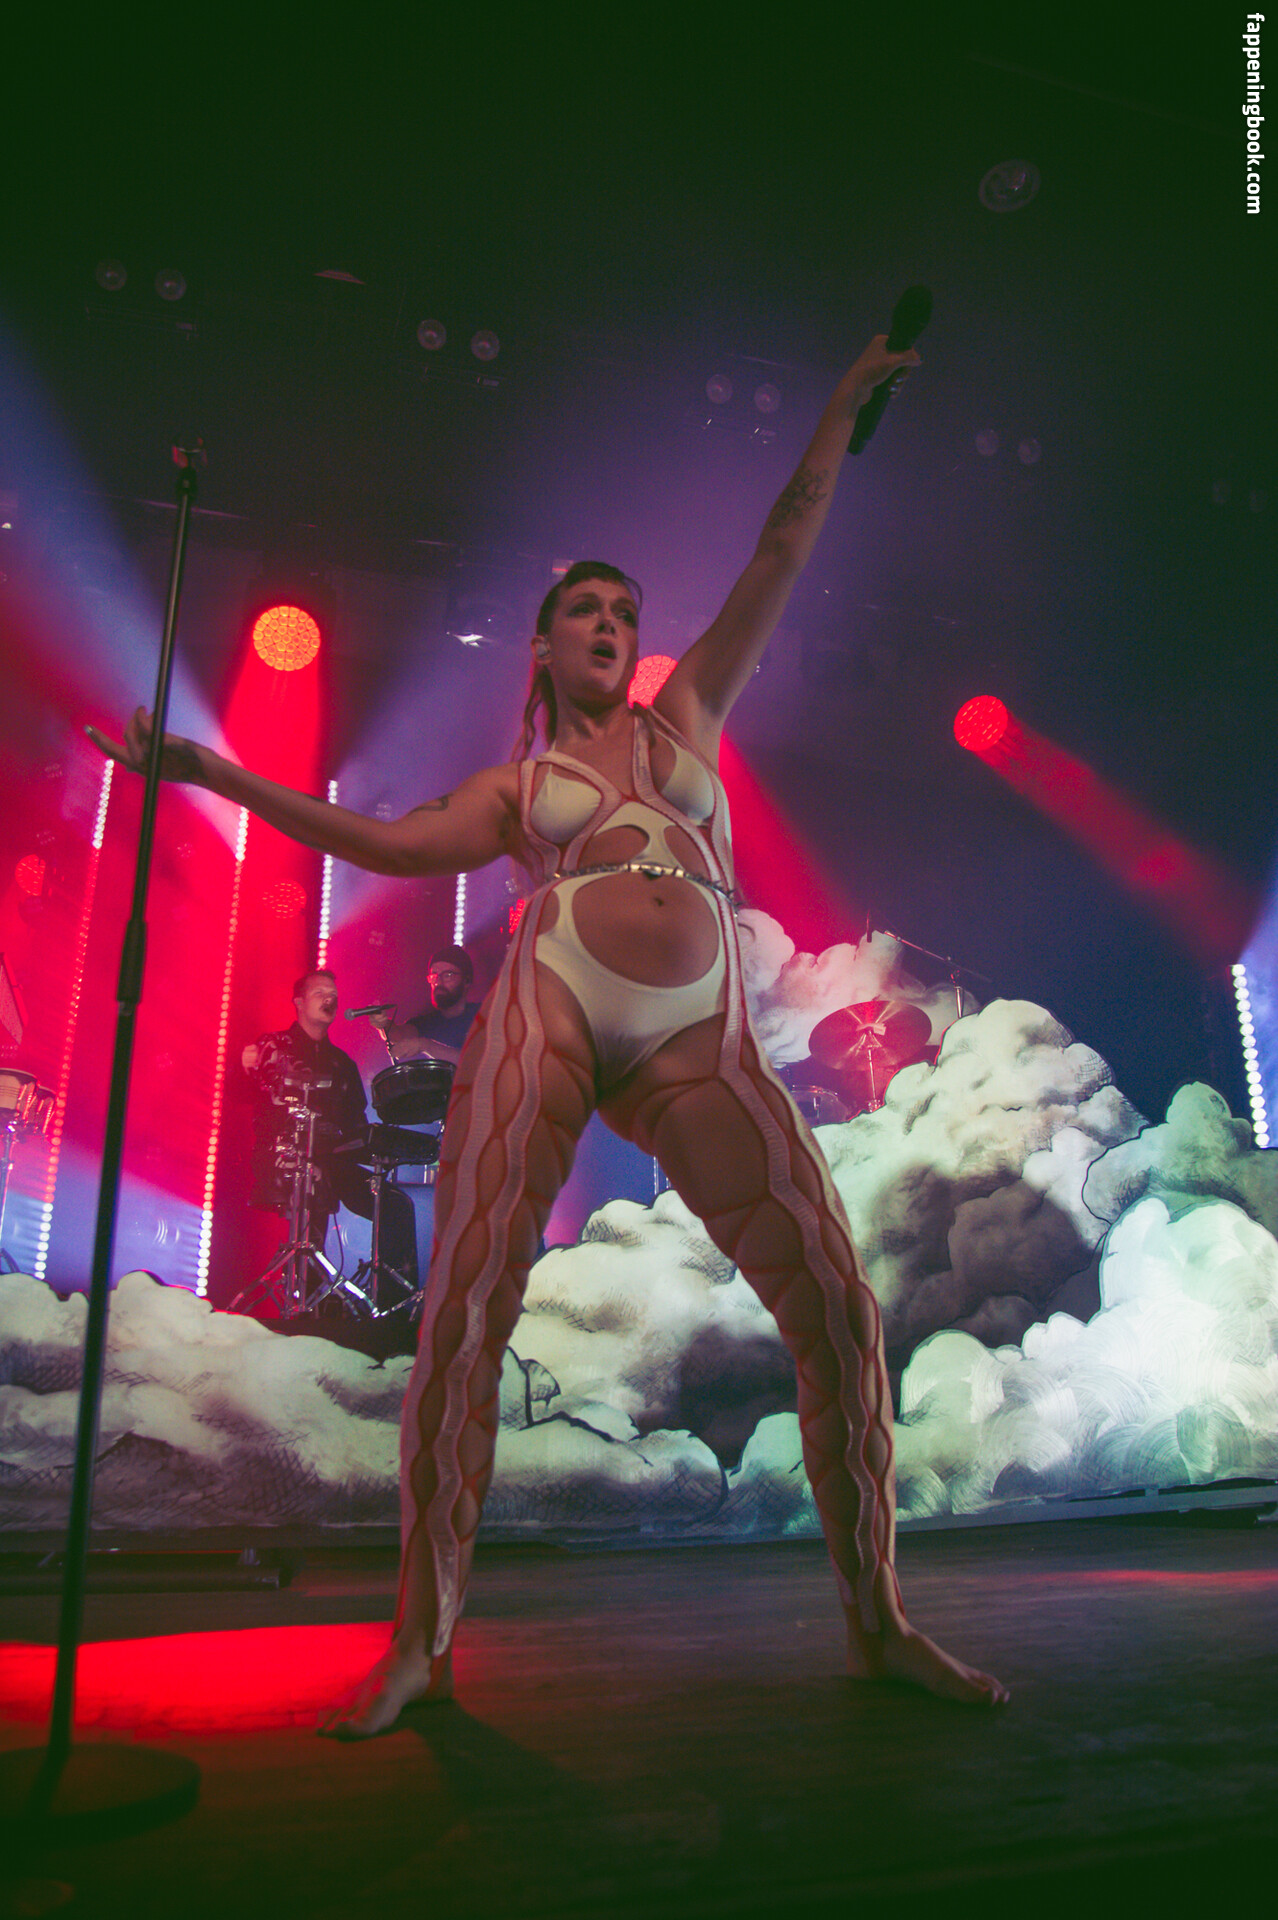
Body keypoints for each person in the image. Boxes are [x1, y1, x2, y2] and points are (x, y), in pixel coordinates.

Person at [90, 332, 1009, 1733]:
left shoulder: (686, 718)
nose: (611, 625)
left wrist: (839, 403)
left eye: (625, 611)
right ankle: (420, 1643)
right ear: (542, 641)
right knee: (467, 1306)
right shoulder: (518, 789)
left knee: (837, 1307)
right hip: (558, 995)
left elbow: (783, 545)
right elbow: (377, 841)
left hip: (700, 1037)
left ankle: (879, 1625)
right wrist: (212, 768)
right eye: (586, 608)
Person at [241, 967, 418, 1301]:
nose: (330, 999)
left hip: (331, 1161)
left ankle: (393, 1305)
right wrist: (242, 1067)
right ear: (298, 1002)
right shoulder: (273, 1046)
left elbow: (355, 1128)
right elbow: (241, 1096)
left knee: (395, 1204)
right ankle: (304, 1302)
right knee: (314, 1185)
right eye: (320, 993)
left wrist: (383, 1146)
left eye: (334, 995)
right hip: (283, 1157)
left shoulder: (342, 1064)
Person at [370, 945, 478, 1066]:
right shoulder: (427, 1021)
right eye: (434, 976)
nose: (438, 982)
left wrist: (426, 1045)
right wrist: (383, 1024)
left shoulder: (483, 1015)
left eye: (448, 975)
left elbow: (476, 1062)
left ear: (466, 981)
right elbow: (398, 1035)